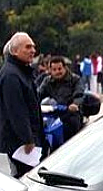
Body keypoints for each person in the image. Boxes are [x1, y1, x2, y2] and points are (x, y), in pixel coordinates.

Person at [0, 32, 44, 178]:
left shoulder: (22, 71)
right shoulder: (11, 75)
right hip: (20, 144)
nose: (32, 50)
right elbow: (16, 111)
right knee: (23, 179)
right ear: (15, 51)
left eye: (33, 47)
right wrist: (28, 139)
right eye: (28, 47)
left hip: (28, 139)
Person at [37, 56, 84, 143]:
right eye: (54, 70)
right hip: (53, 115)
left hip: (70, 115)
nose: (57, 72)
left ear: (65, 68)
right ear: (50, 70)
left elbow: (79, 94)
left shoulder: (75, 79)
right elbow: (39, 94)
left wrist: (75, 104)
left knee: (72, 136)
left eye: (59, 69)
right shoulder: (47, 81)